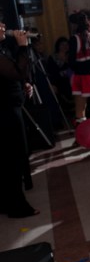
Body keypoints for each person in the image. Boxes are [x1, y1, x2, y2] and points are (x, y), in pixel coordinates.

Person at [0, 22, 39, 218]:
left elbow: (12, 75)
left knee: (11, 157)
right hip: (4, 112)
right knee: (13, 156)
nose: (3, 26)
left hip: (10, 107)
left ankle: (8, 202)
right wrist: (23, 46)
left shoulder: (4, 47)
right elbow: (17, 71)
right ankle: (16, 205)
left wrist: (23, 85)